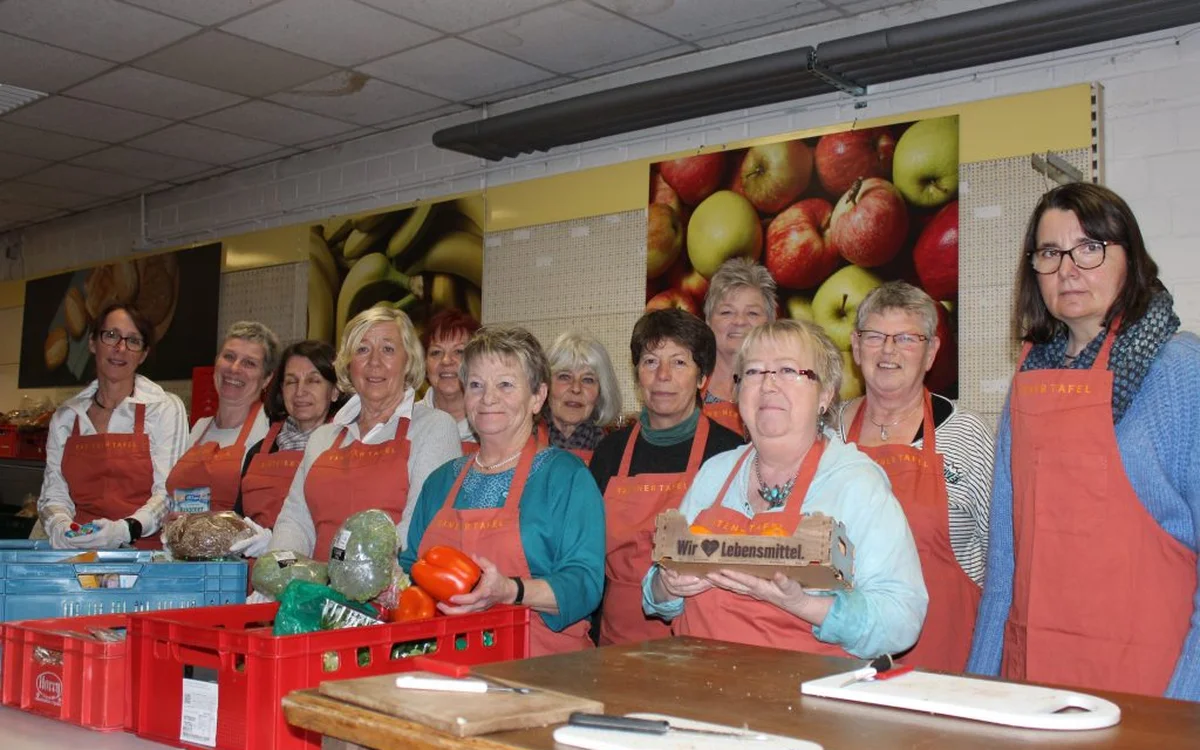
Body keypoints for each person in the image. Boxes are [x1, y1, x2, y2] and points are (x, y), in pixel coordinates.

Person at [968, 182, 1200, 701]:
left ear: (1131, 258)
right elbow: (1005, 559)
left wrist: (1186, 706)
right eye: (1050, 253)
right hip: (1037, 680)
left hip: (1152, 684)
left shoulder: (1181, 369)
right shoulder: (1028, 375)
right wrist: (978, 689)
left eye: (1089, 248)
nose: (1068, 269)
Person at [642, 319, 927, 659]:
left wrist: (802, 603)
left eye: (789, 370)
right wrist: (667, 586)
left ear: (825, 394)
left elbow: (901, 618)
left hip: (805, 699)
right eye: (754, 372)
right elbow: (655, 593)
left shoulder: (856, 483)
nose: (768, 385)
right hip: (699, 686)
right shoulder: (715, 473)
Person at [402, 326, 605, 656]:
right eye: (476, 385)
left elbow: (584, 584)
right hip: (444, 668)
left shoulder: (566, 477)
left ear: (537, 396)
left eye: (506, 385)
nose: (488, 398)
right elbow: (411, 567)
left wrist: (511, 590)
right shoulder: (440, 482)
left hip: (540, 669)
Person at [841, 281, 994, 672]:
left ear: (931, 352)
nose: (888, 350)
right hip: (842, 661)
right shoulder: (827, 432)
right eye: (875, 336)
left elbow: (1003, 558)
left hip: (946, 662)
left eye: (907, 338)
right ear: (857, 347)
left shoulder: (967, 435)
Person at [590, 309, 745, 646]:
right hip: (616, 641)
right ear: (637, 375)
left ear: (702, 377)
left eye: (679, 363)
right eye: (650, 362)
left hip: (697, 636)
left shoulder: (730, 453)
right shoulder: (610, 453)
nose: (662, 376)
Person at [269, 307, 461, 561]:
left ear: (409, 361)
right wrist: (281, 573)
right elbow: (295, 520)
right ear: (349, 365)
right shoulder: (323, 437)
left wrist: (353, 575)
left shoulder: (434, 427)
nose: (374, 362)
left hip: (391, 592)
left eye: (388, 349)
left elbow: (420, 525)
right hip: (316, 592)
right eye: (362, 349)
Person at [38, 303, 189, 549]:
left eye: (133, 341)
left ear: (143, 354)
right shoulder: (66, 417)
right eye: (111, 336)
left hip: (145, 556)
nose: (120, 348)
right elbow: (53, 493)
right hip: (80, 553)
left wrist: (126, 529)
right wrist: (60, 526)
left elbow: (169, 492)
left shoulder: (164, 408)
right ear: (92, 343)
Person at [230, 340, 342, 558]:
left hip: (314, 576)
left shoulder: (345, 449)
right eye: (291, 382)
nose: (300, 392)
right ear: (281, 390)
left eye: (313, 381)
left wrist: (279, 545)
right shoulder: (260, 450)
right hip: (255, 577)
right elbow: (237, 519)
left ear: (335, 391)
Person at [165, 321, 276, 518]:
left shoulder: (270, 432)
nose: (234, 368)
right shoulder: (199, 428)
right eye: (229, 357)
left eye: (249, 363)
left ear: (266, 379)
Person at [701, 257, 777, 436]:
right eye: (727, 312)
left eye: (752, 313)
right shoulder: (686, 387)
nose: (740, 321)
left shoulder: (785, 389)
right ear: (708, 321)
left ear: (770, 323)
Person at [537, 330, 622, 462]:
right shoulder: (521, 443)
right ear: (546, 386)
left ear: (601, 391)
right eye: (564, 377)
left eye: (588, 380)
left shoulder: (614, 452)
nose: (576, 388)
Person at [421, 309, 481, 453]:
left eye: (459, 351)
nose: (446, 361)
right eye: (436, 352)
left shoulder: (496, 423)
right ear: (424, 363)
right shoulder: (405, 423)